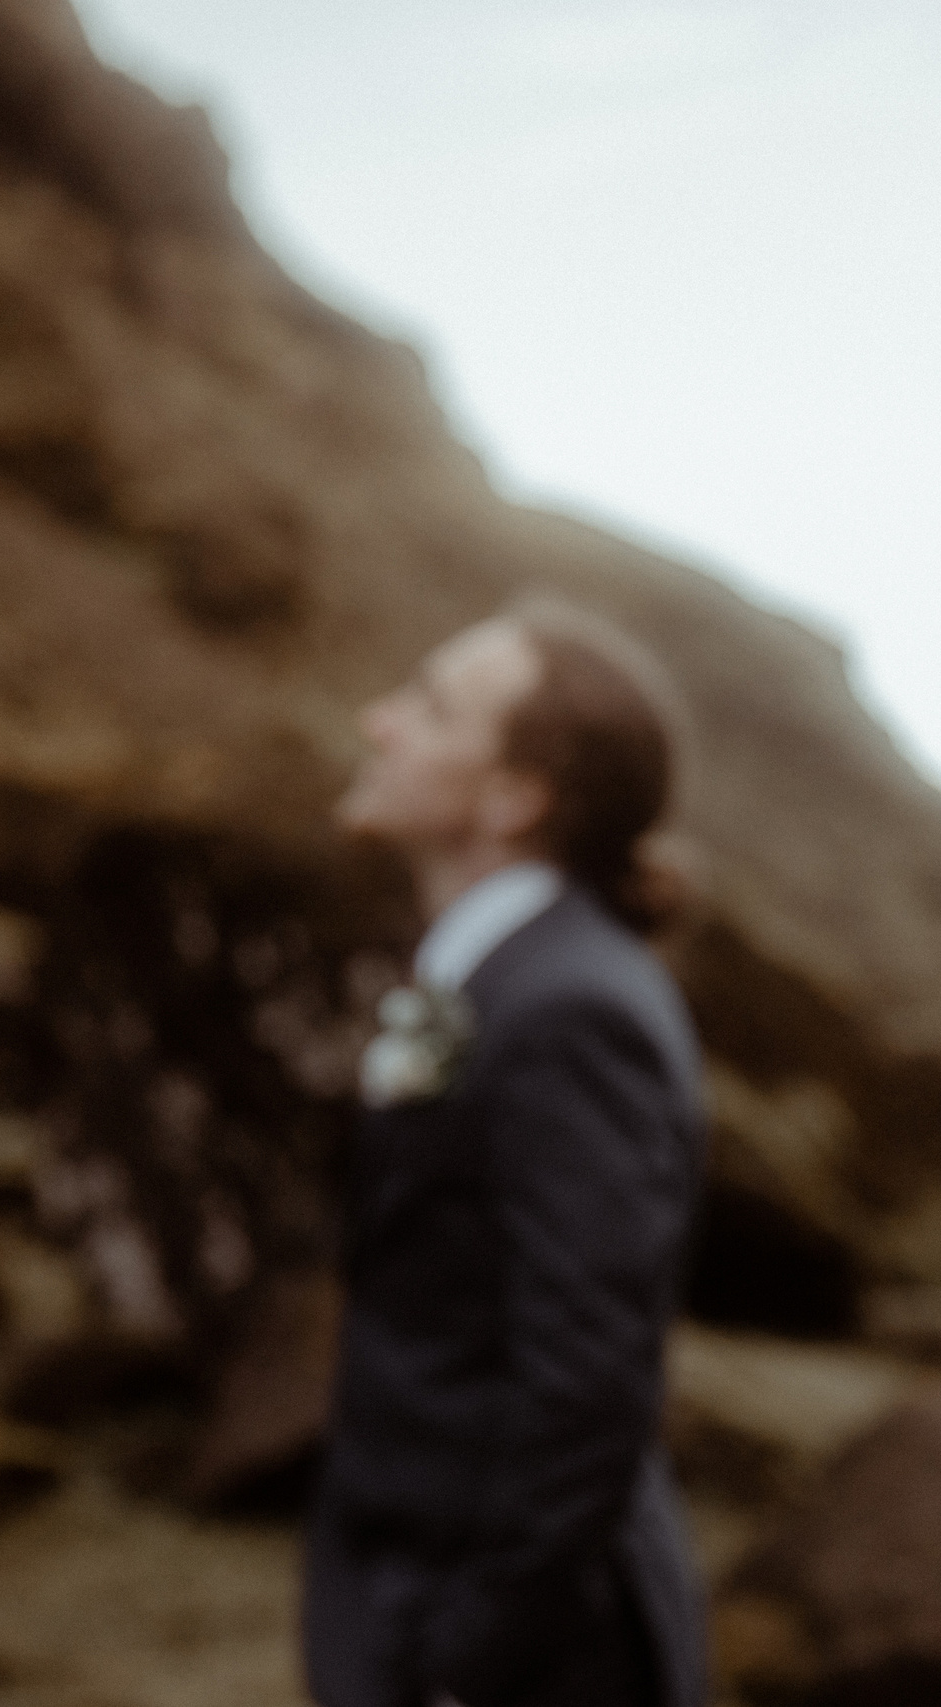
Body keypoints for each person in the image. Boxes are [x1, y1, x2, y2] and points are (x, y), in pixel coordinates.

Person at [303, 597, 708, 1707]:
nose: (379, 721)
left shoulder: (574, 1009)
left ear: (515, 797)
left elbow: (589, 1382)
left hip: (527, 1655)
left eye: (430, 710)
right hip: (404, 1586)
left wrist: (469, 1660)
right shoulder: (493, 978)